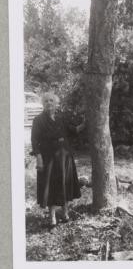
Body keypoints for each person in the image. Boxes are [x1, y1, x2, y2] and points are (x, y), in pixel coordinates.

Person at [31, 92, 82, 227]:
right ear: (43, 104)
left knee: (65, 184)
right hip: (49, 157)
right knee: (52, 186)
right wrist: (39, 157)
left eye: (51, 101)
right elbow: (34, 141)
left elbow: (74, 130)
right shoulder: (38, 120)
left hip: (65, 155)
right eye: (46, 101)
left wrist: (87, 122)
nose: (49, 103)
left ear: (56, 103)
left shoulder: (61, 118)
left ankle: (65, 212)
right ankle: (52, 217)